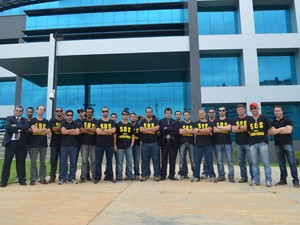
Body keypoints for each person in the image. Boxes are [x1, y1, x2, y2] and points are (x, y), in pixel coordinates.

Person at [1, 106, 29, 187]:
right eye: (17, 110)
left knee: (21, 162)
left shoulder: (25, 120)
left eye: (20, 111)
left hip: (21, 143)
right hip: (11, 143)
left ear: (22, 112)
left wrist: (15, 126)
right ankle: (4, 181)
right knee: (7, 162)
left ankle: (22, 179)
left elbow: (26, 127)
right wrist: (20, 129)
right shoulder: (9, 118)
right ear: (14, 111)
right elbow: (7, 127)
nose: (18, 112)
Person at [271, 105, 299, 188]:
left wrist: (277, 130)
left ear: (282, 111)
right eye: (276, 111)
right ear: (274, 112)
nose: (277, 112)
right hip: (277, 145)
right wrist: (282, 129)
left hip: (288, 144)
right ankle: (283, 180)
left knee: (292, 163)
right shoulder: (273, 122)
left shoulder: (287, 120)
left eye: (279, 110)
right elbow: (272, 132)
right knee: (281, 164)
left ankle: (296, 181)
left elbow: (289, 131)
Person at [247, 102, 273, 187]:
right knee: (254, 163)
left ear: (258, 108)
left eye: (255, 108)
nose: (253, 109)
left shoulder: (264, 118)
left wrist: (264, 138)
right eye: (251, 108)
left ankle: (268, 180)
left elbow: (269, 130)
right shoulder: (249, 119)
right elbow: (249, 131)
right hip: (252, 144)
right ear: (250, 110)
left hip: (263, 143)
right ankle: (256, 180)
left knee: (266, 162)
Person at [193, 109, 217, 182]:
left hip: (208, 145)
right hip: (198, 145)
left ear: (205, 114)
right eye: (200, 113)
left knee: (209, 161)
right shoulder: (196, 123)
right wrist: (205, 131)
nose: (201, 114)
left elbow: (209, 130)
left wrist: (199, 130)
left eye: (202, 113)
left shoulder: (210, 122)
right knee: (197, 162)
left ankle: (212, 176)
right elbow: (194, 132)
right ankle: (196, 176)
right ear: (198, 114)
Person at [29, 105, 50, 185]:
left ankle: (42, 178)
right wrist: (43, 130)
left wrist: (38, 131)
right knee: (33, 162)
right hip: (34, 144)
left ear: (44, 111)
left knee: (43, 163)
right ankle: (33, 179)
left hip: (43, 144)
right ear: (37, 110)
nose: (41, 111)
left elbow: (48, 132)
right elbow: (34, 131)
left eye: (43, 110)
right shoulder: (33, 120)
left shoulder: (46, 121)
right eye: (40, 109)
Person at [231, 104, 253, 183]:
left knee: (251, 161)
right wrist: (244, 128)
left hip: (248, 143)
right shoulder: (234, 120)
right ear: (237, 111)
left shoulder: (249, 118)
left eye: (241, 109)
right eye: (239, 110)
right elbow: (233, 130)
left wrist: (239, 127)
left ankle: (253, 177)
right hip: (239, 143)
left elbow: (250, 128)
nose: (240, 111)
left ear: (244, 110)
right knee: (241, 161)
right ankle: (244, 177)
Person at [94, 107, 116, 183]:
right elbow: (98, 132)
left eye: (106, 111)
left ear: (108, 112)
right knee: (98, 162)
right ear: (102, 112)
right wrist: (108, 132)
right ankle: (97, 177)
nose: (105, 112)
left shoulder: (112, 122)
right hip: (99, 144)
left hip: (109, 144)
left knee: (109, 162)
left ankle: (110, 176)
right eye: (103, 111)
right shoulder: (98, 121)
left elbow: (113, 131)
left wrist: (102, 130)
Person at [213, 106, 235, 182]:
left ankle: (231, 176)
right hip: (218, 143)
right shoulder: (215, 120)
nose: (221, 112)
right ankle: (221, 176)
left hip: (227, 143)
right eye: (220, 110)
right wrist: (224, 128)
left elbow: (229, 128)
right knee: (219, 161)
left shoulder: (229, 119)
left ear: (225, 111)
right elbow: (214, 130)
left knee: (230, 161)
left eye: (223, 110)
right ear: (218, 112)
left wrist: (219, 127)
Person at [139, 107, 160, 181]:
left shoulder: (155, 121)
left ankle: (157, 175)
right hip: (145, 144)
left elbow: (157, 128)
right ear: (145, 113)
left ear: (152, 112)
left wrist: (146, 130)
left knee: (156, 159)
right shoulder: (142, 121)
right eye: (147, 112)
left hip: (154, 143)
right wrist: (152, 131)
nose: (149, 113)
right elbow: (141, 130)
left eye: (150, 112)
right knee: (145, 160)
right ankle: (144, 174)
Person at [59, 109, 80, 184]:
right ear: (65, 115)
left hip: (74, 146)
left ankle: (72, 178)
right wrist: (72, 130)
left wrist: (68, 131)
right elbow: (63, 132)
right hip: (64, 145)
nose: (70, 116)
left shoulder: (76, 123)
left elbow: (77, 132)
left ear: (73, 116)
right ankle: (63, 178)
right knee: (63, 162)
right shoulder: (63, 123)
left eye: (71, 115)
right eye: (68, 115)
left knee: (73, 162)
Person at [114, 109, 135, 181]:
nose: (125, 115)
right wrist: (115, 145)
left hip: (128, 146)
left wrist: (132, 144)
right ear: (122, 115)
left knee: (129, 162)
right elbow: (115, 135)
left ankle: (130, 175)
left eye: (126, 114)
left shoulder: (130, 125)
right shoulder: (118, 124)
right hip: (120, 147)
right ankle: (119, 177)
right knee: (119, 163)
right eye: (124, 114)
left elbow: (133, 135)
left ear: (128, 116)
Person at [159, 107, 179, 180]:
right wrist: (170, 129)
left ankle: (172, 175)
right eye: (167, 113)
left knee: (172, 160)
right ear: (164, 114)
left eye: (169, 113)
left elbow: (176, 129)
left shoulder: (175, 122)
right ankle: (163, 175)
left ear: (171, 114)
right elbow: (161, 130)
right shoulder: (161, 121)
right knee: (164, 159)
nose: (168, 114)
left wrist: (166, 128)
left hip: (172, 143)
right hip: (164, 143)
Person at [79, 107, 97, 183]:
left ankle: (94, 176)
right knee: (84, 161)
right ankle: (83, 177)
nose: (89, 113)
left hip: (93, 143)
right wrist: (91, 130)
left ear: (92, 113)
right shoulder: (82, 120)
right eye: (87, 112)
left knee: (93, 161)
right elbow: (81, 130)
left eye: (90, 112)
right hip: (84, 143)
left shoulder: (96, 121)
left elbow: (95, 130)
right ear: (85, 113)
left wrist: (86, 129)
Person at [176, 110, 195, 180]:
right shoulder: (181, 123)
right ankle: (181, 174)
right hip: (183, 143)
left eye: (187, 115)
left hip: (191, 143)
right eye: (185, 115)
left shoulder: (193, 123)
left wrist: (185, 130)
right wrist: (189, 131)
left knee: (193, 160)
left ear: (189, 116)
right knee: (182, 160)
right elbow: (180, 132)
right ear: (183, 116)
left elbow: (193, 132)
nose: (186, 116)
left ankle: (195, 174)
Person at [48, 107, 64, 183]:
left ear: (62, 112)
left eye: (60, 111)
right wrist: (62, 128)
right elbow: (53, 129)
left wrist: (59, 128)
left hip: (63, 143)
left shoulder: (65, 120)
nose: (59, 112)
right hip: (54, 143)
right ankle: (52, 176)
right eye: (57, 111)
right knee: (53, 161)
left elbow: (65, 129)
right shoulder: (52, 120)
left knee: (62, 161)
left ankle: (61, 176)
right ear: (55, 112)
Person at [74, 108, 91, 181]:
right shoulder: (75, 121)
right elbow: (77, 131)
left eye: (81, 112)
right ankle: (73, 175)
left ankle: (87, 174)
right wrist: (84, 130)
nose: (80, 113)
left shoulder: (87, 121)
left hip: (85, 142)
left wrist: (83, 130)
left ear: (84, 112)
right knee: (74, 159)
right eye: (79, 112)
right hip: (76, 142)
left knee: (85, 159)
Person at [201, 108, 216, 179]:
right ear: (208, 114)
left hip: (217, 142)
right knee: (206, 159)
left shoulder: (217, 121)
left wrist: (208, 131)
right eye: (210, 112)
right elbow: (209, 131)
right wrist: (206, 131)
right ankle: (205, 173)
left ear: (215, 113)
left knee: (218, 160)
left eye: (212, 112)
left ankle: (220, 174)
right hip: (207, 143)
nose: (211, 113)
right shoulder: (206, 122)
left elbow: (214, 130)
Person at [130, 112, 141, 180]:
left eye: (134, 116)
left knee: (136, 161)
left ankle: (136, 174)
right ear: (130, 117)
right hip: (129, 145)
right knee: (129, 161)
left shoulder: (139, 126)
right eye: (132, 116)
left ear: (136, 118)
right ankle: (128, 174)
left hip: (137, 145)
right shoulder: (127, 125)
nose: (133, 117)